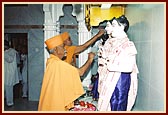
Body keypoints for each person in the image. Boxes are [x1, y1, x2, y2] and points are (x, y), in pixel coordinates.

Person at [38, 34, 95, 111]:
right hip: (55, 104)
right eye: (62, 47)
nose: (65, 50)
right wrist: (90, 59)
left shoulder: (51, 61)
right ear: (55, 49)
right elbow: (80, 72)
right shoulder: (58, 64)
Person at [97, 15, 139, 111]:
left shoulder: (128, 45)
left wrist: (108, 62)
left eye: (114, 25)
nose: (110, 28)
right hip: (109, 77)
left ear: (122, 27)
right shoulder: (112, 42)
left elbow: (128, 67)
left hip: (120, 79)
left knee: (118, 104)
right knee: (108, 104)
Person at [4, 40, 19, 106]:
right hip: (4, 73)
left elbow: (10, 59)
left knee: (8, 88)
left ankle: (10, 103)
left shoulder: (12, 51)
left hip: (9, 74)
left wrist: (3, 52)